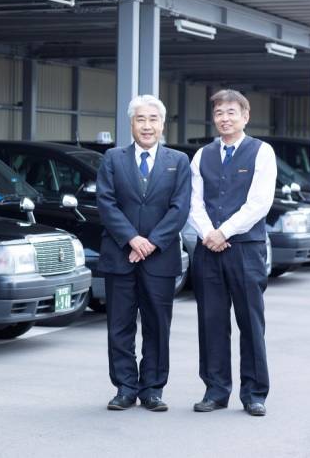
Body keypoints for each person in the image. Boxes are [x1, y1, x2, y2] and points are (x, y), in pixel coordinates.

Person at [96, 94, 191, 412]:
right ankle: (124, 387)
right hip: (120, 255)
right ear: (131, 123)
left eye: (153, 119)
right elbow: (106, 204)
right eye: (140, 119)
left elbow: (180, 208)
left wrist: (150, 242)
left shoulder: (178, 162)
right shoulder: (112, 158)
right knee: (119, 325)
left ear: (162, 124)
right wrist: (132, 240)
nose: (147, 125)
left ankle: (152, 388)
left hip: (160, 257)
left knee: (157, 324)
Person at [187, 89, 276, 417]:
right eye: (219, 113)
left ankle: (254, 393)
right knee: (210, 321)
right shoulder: (201, 156)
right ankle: (215, 389)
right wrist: (209, 233)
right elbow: (193, 202)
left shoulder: (261, 152)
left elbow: (260, 202)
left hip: (245, 249)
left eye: (231, 112)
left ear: (245, 116)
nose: (224, 118)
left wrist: (223, 232)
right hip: (208, 249)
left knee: (250, 321)